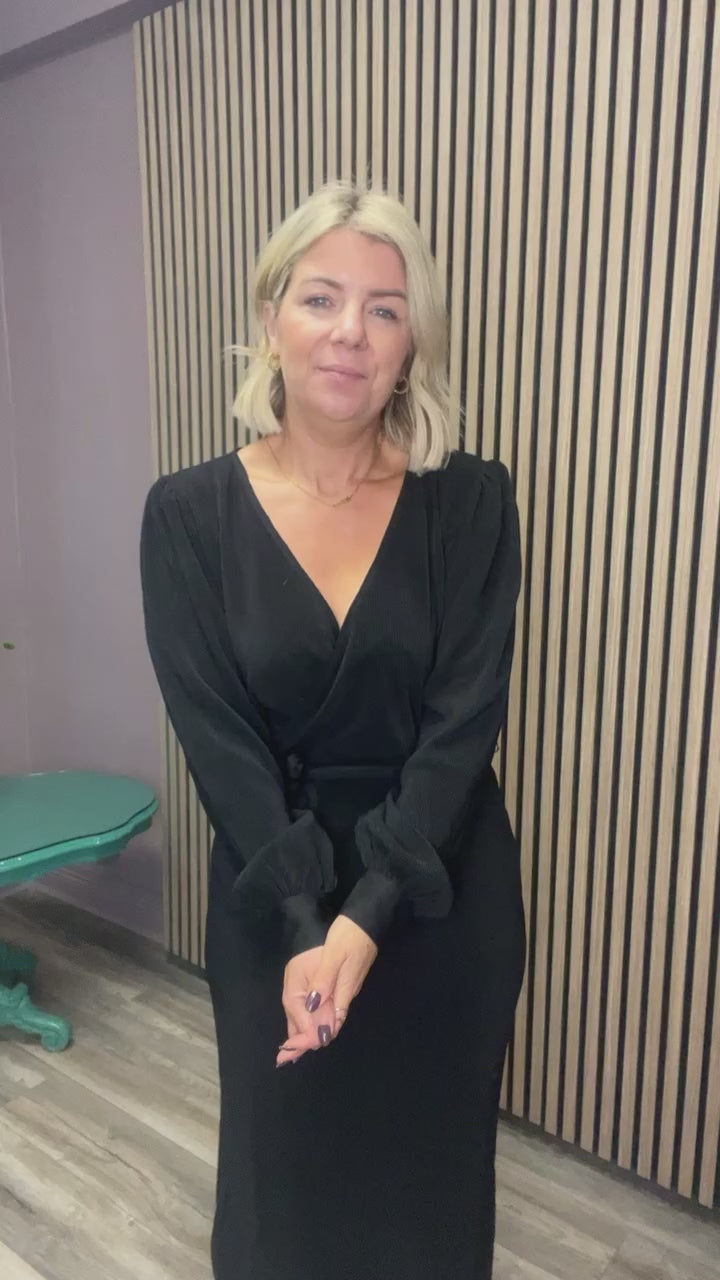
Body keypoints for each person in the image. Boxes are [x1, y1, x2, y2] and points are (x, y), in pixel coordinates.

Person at [140, 180, 526, 1280]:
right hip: (276, 894)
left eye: (384, 307)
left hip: (439, 890)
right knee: (286, 1197)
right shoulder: (186, 515)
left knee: (428, 1195)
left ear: (412, 344)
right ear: (272, 318)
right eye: (321, 297)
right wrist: (314, 920)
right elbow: (220, 746)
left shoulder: (472, 502)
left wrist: (369, 915)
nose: (351, 330)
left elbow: (462, 727)